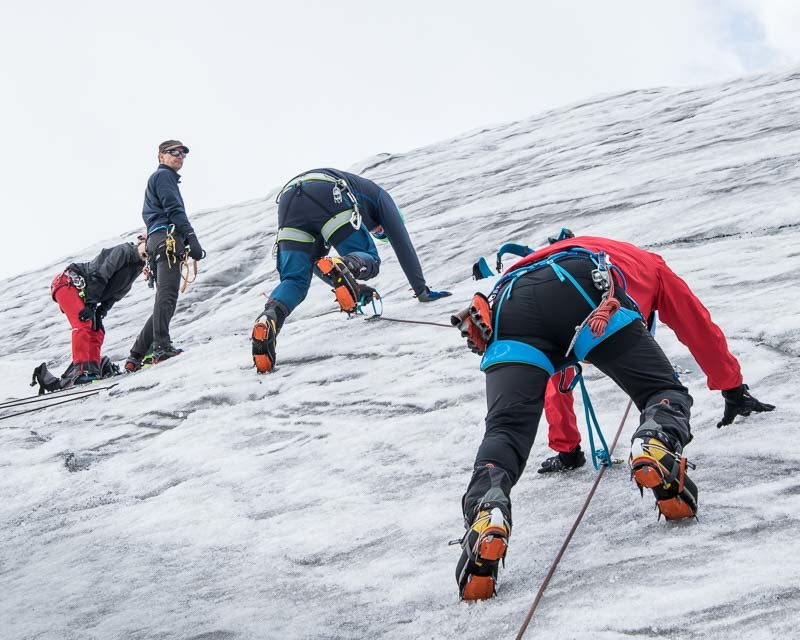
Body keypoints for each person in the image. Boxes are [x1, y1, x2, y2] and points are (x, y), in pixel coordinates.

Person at [452, 235, 774, 600]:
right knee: (661, 394)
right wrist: (731, 387)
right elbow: (694, 323)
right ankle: (655, 437)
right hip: (587, 286)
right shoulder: (648, 262)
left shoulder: (539, 259)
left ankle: (488, 504)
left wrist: (567, 449)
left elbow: (558, 374)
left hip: (508, 304)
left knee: (505, 429)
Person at [536, 236, 775, 473]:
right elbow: (699, 329)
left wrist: (567, 452)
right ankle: (572, 448)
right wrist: (733, 389)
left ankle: (570, 448)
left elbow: (697, 329)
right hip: (597, 269)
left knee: (555, 365)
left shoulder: (648, 273)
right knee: (557, 362)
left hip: (630, 269)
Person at [252, 168, 451, 372]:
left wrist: (352, 286)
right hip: (328, 193)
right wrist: (421, 290)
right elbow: (401, 242)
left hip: (289, 201)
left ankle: (269, 317)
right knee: (369, 259)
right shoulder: (381, 197)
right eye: (380, 231)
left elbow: (318, 262)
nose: (378, 231)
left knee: (294, 281)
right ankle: (348, 265)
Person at [125, 140, 205, 371]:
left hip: (158, 240)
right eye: (174, 152)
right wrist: (191, 236)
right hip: (167, 239)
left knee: (165, 299)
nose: (179, 156)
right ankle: (160, 348)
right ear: (161, 156)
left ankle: (136, 355)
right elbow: (173, 208)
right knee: (167, 297)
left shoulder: (161, 179)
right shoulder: (163, 177)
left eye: (182, 154)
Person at [32, 236, 148, 392]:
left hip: (87, 293)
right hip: (68, 282)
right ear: (141, 242)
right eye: (147, 245)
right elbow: (100, 275)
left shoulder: (135, 269)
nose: (148, 251)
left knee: (97, 330)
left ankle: (92, 372)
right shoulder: (124, 251)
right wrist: (91, 304)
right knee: (83, 324)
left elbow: (115, 295)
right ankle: (82, 372)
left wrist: (100, 312)